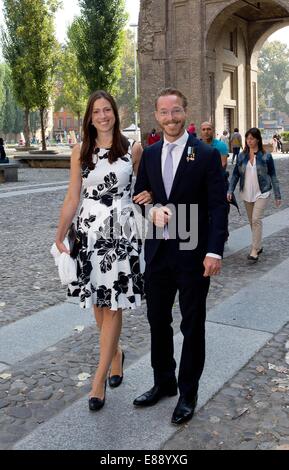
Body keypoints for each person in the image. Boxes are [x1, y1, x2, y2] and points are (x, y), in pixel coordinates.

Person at [133, 88, 228, 425]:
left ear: (185, 112)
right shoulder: (149, 153)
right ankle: (164, 382)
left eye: (176, 111)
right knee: (158, 322)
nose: (170, 118)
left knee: (192, 325)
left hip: (193, 254)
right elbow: (139, 198)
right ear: (156, 115)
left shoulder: (203, 154)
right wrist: (150, 211)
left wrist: (214, 250)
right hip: (158, 253)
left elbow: (218, 206)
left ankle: (188, 393)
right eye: (163, 112)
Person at [55, 90, 152, 412]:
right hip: (87, 233)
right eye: (96, 111)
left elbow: (144, 188)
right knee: (98, 304)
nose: (102, 115)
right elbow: (72, 197)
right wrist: (60, 234)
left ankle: (98, 379)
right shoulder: (80, 151)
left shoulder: (132, 148)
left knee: (113, 307)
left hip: (121, 234)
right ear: (89, 116)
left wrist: (149, 196)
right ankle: (117, 354)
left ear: (115, 113)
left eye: (107, 109)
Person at [228, 127, 281, 261]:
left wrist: (277, 195)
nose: (249, 141)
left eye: (251, 138)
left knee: (256, 219)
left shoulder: (266, 156)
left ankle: (254, 249)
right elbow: (235, 175)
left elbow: (273, 176)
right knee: (252, 221)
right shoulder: (242, 156)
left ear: (257, 139)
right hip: (246, 193)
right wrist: (230, 190)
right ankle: (259, 245)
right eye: (247, 138)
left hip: (262, 192)